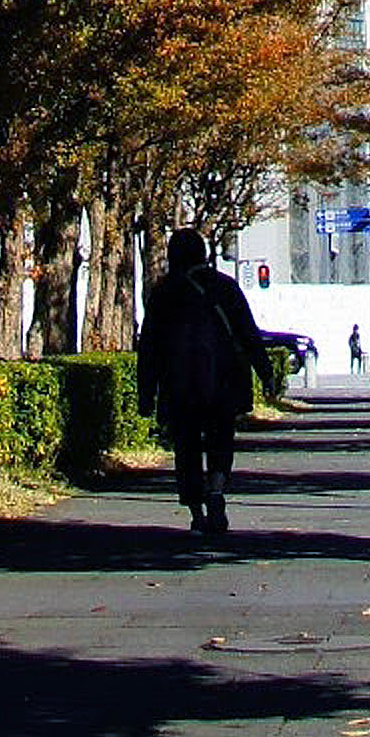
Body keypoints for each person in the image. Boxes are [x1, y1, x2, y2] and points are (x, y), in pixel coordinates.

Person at [136, 228, 267, 545]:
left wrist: (146, 393)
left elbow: (149, 347)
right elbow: (248, 333)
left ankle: (197, 513)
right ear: (204, 253)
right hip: (222, 381)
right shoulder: (225, 287)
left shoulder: (164, 292)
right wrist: (266, 373)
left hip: (178, 384)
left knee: (187, 447)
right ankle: (217, 489)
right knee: (221, 438)